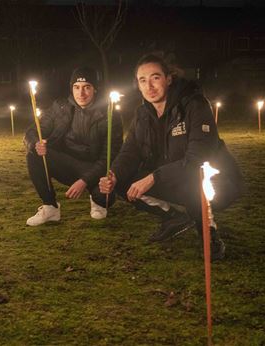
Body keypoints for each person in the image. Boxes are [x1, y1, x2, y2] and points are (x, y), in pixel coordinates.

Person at [99, 53, 242, 260]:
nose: (149, 86)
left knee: (195, 179)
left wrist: (154, 177)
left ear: (168, 78)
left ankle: (208, 234)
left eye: (155, 77)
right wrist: (113, 174)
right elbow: (130, 151)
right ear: (137, 85)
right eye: (142, 80)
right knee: (123, 181)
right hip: (172, 176)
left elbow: (197, 159)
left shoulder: (194, 105)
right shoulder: (142, 114)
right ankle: (174, 217)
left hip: (217, 181)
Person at [24, 66, 123, 226]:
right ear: (71, 88)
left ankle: (96, 200)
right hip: (67, 163)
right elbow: (32, 130)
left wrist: (84, 180)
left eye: (87, 87)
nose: (81, 93)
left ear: (95, 89)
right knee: (33, 154)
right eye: (76, 87)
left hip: (95, 169)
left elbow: (109, 157)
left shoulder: (109, 115)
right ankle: (50, 207)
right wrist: (36, 142)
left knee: (105, 198)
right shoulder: (61, 107)